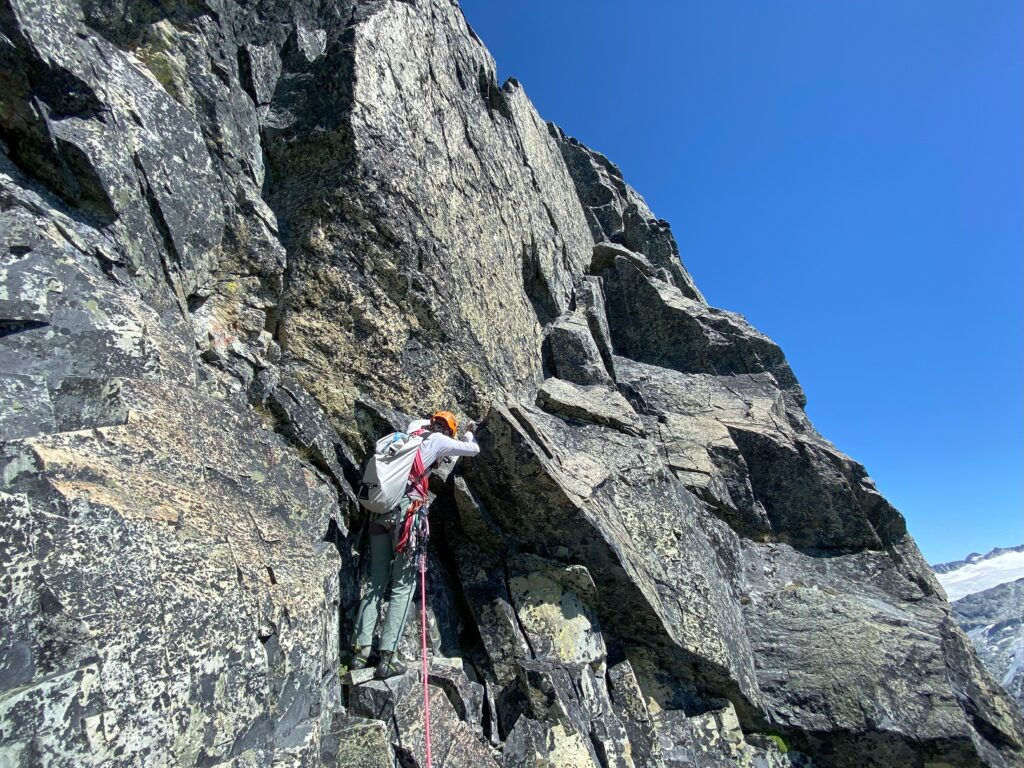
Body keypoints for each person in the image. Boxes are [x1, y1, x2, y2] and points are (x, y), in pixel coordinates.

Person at [349, 410, 479, 679]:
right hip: (407, 515)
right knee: (403, 585)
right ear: (448, 431)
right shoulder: (439, 442)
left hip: (380, 511)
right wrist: (468, 433)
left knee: (376, 582)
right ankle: (388, 656)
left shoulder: (409, 433)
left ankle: (359, 653)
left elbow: (420, 424)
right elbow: (473, 450)